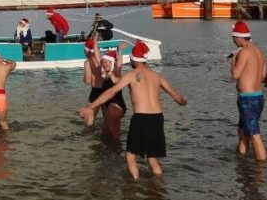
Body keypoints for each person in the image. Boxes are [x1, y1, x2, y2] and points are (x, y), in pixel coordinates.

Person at [79, 41, 187, 179]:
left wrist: (91, 107)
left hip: (141, 117)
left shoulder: (132, 75)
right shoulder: (157, 76)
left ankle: (134, 186)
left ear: (132, 59)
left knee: (130, 156)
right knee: (152, 159)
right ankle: (159, 186)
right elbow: (177, 97)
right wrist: (185, 101)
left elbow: (111, 92)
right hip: (157, 118)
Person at [230, 20, 267, 161]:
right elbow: (263, 75)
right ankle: (242, 161)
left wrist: (233, 61)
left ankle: (262, 171)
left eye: (233, 38)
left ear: (239, 37)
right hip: (258, 97)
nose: (233, 41)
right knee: (242, 131)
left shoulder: (244, 52)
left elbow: (235, 75)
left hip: (247, 99)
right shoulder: (259, 52)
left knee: (254, 134)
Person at [97, 44, 128, 139]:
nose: (104, 64)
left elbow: (119, 65)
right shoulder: (104, 75)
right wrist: (95, 43)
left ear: (112, 63)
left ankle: (118, 151)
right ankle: (110, 151)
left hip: (116, 105)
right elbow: (98, 59)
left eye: (107, 62)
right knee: (106, 132)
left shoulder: (115, 74)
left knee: (114, 134)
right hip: (108, 106)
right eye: (103, 62)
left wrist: (120, 51)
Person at [81, 38, 103, 127]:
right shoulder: (102, 60)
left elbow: (88, 81)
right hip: (105, 89)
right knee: (107, 117)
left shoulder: (87, 62)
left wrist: (83, 78)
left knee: (88, 118)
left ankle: (88, 137)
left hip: (96, 91)